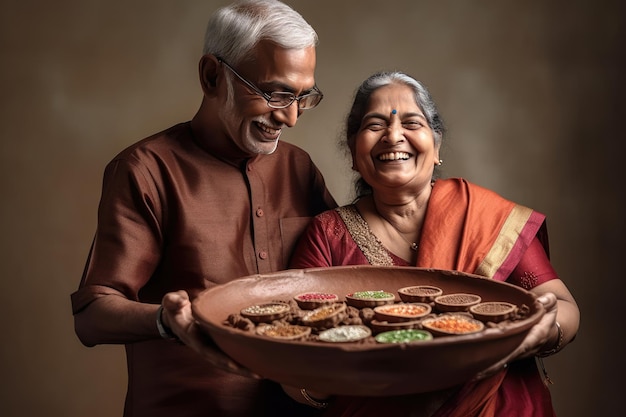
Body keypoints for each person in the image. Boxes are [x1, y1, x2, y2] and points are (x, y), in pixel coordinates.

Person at [70, 1, 337, 416]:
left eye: (303, 97)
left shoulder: (299, 167)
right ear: (212, 76)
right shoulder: (146, 170)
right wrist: (166, 320)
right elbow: (91, 315)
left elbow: (341, 273)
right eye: (275, 93)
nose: (290, 117)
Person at [287, 71, 580, 416]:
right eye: (375, 125)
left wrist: (541, 334)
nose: (393, 136)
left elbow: (563, 305)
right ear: (353, 150)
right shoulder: (327, 235)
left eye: (411, 123)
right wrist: (332, 374)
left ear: (436, 145)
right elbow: (290, 364)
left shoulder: (483, 216)